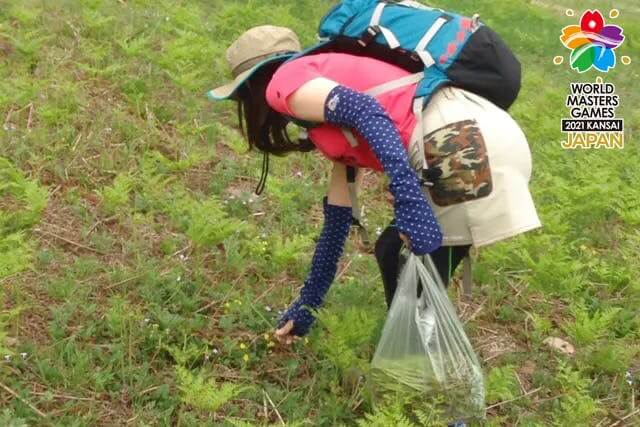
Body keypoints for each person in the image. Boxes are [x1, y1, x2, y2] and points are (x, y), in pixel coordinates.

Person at [208, 25, 541, 345]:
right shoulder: (327, 91)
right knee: (405, 263)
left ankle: (415, 374)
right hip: (490, 133)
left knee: (402, 262)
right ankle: (420, 367)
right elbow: (337, 222)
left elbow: (366, 110)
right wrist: (308, 303)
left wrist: (408, 198)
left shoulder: (285, 82)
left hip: (458, 142)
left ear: (251, 87)